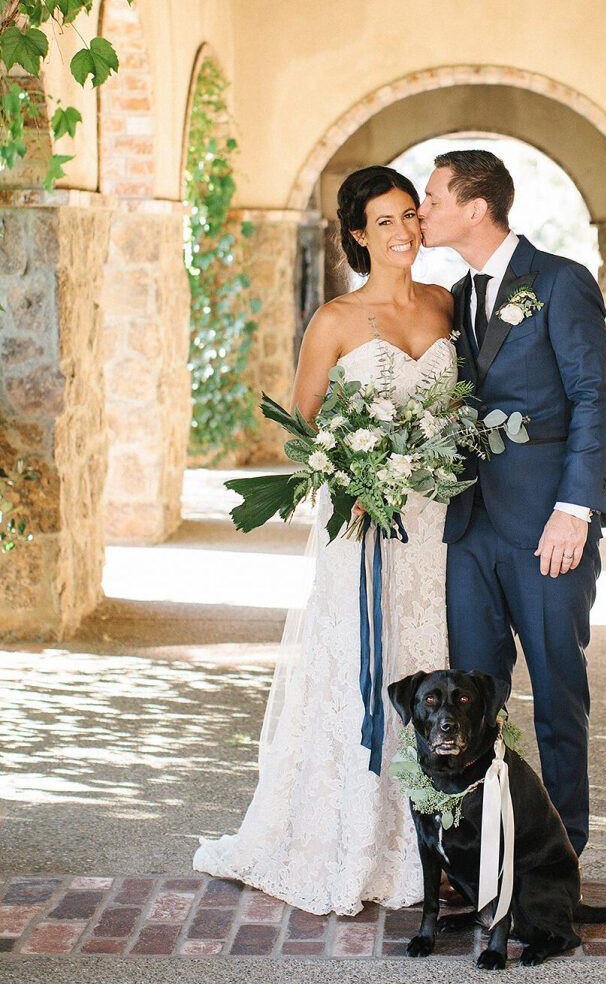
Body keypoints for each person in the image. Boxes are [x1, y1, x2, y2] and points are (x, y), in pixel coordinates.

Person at [193, 165, 455, 915]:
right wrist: (358, 468)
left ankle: (430, 839)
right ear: (356, 236)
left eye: (410, 214)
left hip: (435, 529)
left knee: (428, 660)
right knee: (357, 672)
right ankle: (341, 835)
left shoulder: (445, 305)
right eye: (384, 223)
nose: (404, 231)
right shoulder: (336, 319)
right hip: (367, 528)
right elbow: (302, 429)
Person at [417, 149, 606, 857]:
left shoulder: (561, 283)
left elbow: (593, 395)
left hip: (546, 527)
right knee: (468, 705)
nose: (422, 209)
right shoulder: (456, 294)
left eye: (433, 197)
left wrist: (575, 508)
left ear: (476, 208)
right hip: (470, 529)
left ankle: (560, 857)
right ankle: (475, 857)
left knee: (559, 695)